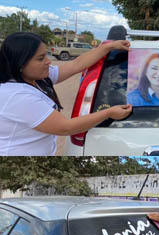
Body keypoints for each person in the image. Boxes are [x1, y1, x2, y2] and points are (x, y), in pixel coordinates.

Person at [0, 32, 132, 156]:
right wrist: (108, 113)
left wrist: (108, 47)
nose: (48, 61)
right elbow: (66, 127)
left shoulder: (36, 78)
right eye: (40, 58)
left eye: (46, 55)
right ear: (20, 64)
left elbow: (76, 64)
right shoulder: (17, 96)